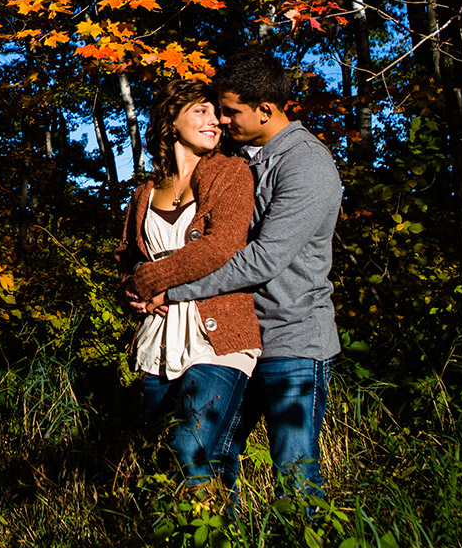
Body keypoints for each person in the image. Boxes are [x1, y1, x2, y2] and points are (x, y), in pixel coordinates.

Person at [140, 48, 343, 506]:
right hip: (240, 335)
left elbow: (262, 260)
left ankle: (303, 537)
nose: (224, 121)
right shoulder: (245, 160)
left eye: (231, 111)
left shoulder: (306, 165)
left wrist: (172, 291)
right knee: (213, 457)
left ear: (265, 110)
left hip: (294, 339)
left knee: (294, 471)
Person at [116, 78, 259, 488]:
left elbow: (222, 246)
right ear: (171, 120)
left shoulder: (230, 173)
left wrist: (153, 280)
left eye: (216, 113)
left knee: (188, 446)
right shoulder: (145, 191)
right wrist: (131, 291)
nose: (215, 121)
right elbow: (129, 262)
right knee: (170, 459)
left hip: (218, 333)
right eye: (201, 111)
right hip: (158, 338)